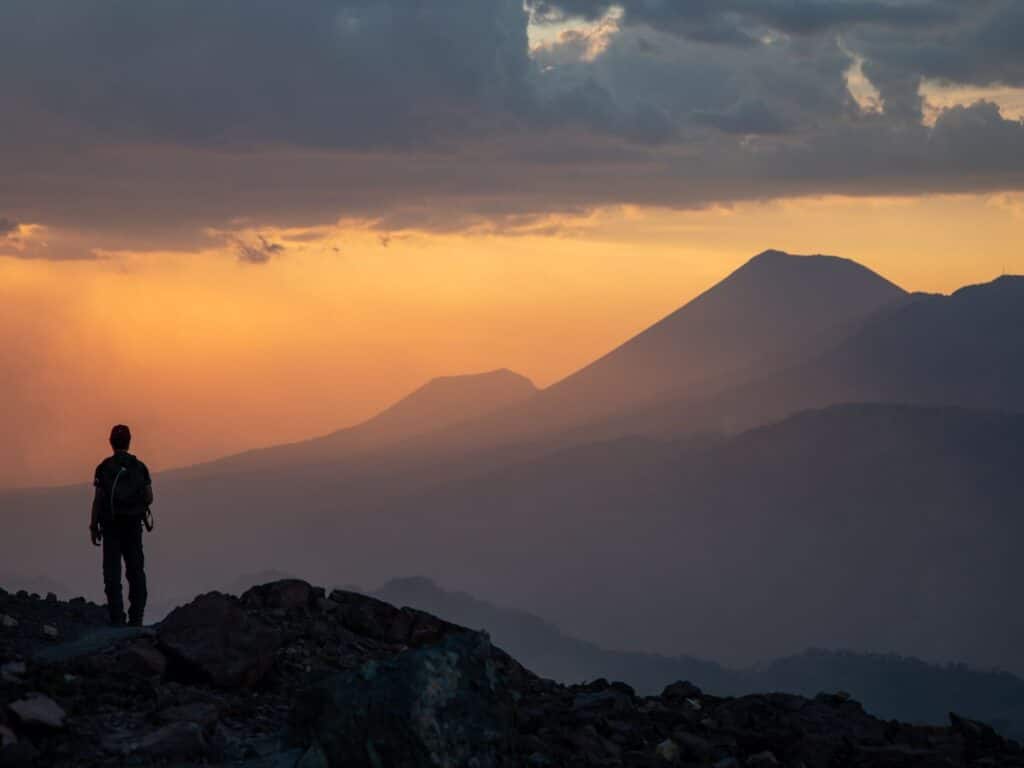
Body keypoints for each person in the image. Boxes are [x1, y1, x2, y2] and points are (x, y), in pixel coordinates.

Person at [90, 424, 153, 627]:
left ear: (111, 442)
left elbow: (98, 499)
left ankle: (117, 619)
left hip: (111, 526)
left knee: (112, 573)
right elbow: (149, 497)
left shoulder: (104, 467)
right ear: (129, 441)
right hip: (133, 526)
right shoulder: (139, 467)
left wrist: (93, 525)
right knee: (135, 571)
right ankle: (136, 619)